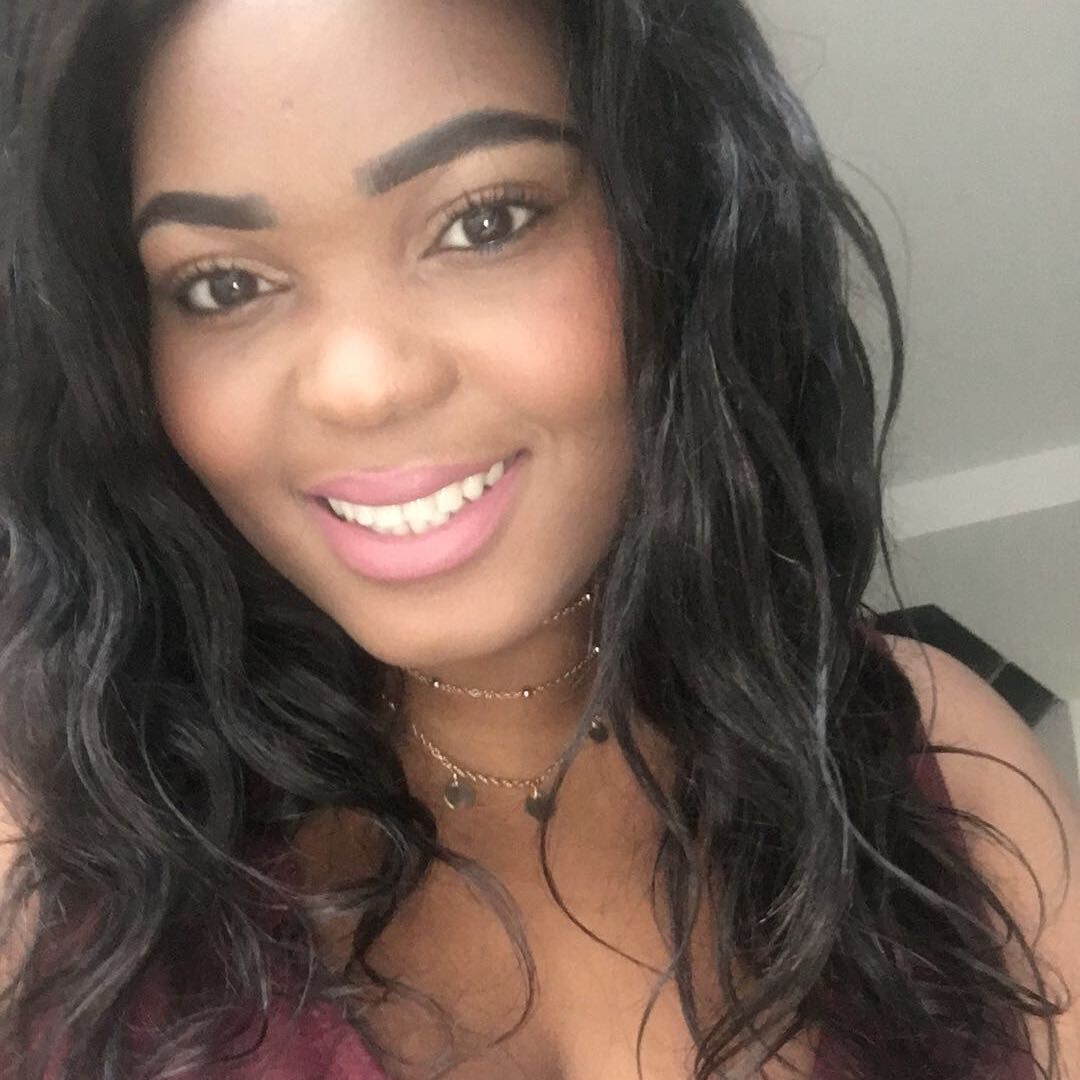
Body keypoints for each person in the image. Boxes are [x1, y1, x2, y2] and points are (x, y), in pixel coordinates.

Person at [0, 1, 1076, 1078]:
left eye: (484, 222)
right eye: (223, 285)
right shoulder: (44, 859)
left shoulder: (944, 762)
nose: (360, 384)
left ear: (677, 216)